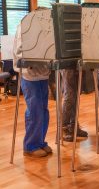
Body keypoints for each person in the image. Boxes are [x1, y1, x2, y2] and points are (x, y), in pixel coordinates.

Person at [13, 13, 52, 157]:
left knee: (43, 111)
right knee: (34, 111)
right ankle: (30, 145)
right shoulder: (24, 26)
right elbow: (21, 51)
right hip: (29, 75)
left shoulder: (46, 27)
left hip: (42, 74)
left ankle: (40, 141)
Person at [61, 69, 88, 142]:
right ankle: (63, 128)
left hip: (77, 62)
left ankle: (73, 126)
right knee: (69, 95)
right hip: (67, 64)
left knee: (76, 94)